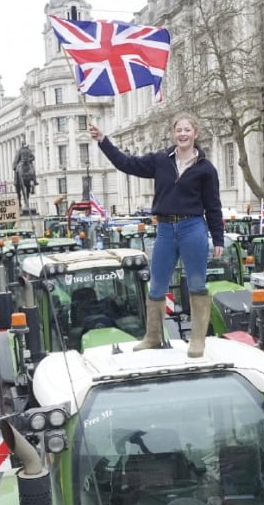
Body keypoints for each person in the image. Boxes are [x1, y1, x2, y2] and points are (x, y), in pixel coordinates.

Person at [89, 116, 224, 358]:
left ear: (195, 133)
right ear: (174, 133)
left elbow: (213, 206)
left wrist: (218, 239)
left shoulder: (205, 168)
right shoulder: (160, 160)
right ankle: (152, 336)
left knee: (196, 283)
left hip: (192, 227)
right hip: (164, 229)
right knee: (157, 284)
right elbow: (126, 163)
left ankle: (197, 340)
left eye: (187, 130)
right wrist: (103, 141)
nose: (183, 134)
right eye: (179, 130)